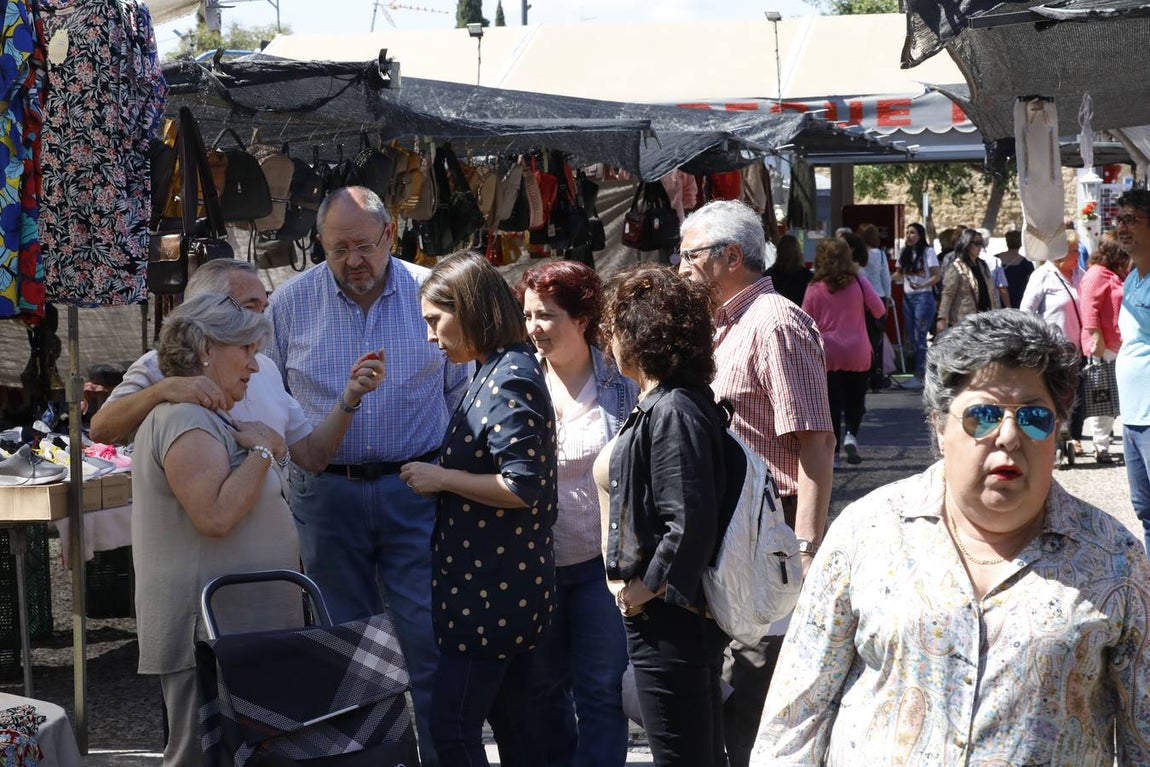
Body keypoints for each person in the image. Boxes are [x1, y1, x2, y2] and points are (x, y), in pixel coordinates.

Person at [755, 308, 1150, 764]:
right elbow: (795, 716)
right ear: (940, 426)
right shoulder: (867, 533)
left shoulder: (1115, 559)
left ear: (1057, 429)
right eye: (983, 415)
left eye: (1035, 417)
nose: (1008, 435)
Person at [265, 186, 469, 767]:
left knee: (428, 641)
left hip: (416, 489)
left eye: (363, 245)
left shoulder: (432, 293)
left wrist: (447, 476)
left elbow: (460, 394)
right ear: (320, 246)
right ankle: (363, 760)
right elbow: (269, 398)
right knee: (346, 650)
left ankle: (440, 757)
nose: (353, 259)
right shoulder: (290, 304)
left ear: (389, 237)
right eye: (337, 248)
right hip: (327, 497)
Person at [133, 292, 380, 767]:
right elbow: (216, 516)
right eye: (244, 349)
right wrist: (264, 448)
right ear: (206, 347)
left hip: (237, 626)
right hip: (209, 630)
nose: (254, 362)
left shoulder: (210, 414)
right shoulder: (185, 419)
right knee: (200, 756)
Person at [676, 199, 835, 767]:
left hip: (772, 532)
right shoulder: (726, 325)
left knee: (758, 696)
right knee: (731, 692)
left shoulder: (775, 323)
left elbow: (815, 443)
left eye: (689, 256)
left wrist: (806, 546)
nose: (681, 269)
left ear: (731, 257)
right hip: (733, 536)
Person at [398, 251, 557, 767]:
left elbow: (524, 484)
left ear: (466, 309)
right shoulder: (495, 368)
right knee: (515, 730)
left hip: (493, 593)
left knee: (453, 728)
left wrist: (441, 477)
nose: (430, 336)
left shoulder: (508, 374)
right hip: (492, 586)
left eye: (434, 320)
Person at [598, 263, 729, 767]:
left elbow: (688, 523)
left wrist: (641, 591)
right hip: (672, 616)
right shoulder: (672, 402)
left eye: (614, 329)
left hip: (671, 617)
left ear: (638, 334)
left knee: (683, 755)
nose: (609, 342)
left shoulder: (674, 409)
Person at [515, 260, 637, 767]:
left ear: (582, 318)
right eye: (528, 316)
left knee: (600, 690)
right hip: (535, 566)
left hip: (601, 566)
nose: (534, 328)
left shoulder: (620, 383)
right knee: (541, 692)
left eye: (546, 316)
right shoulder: (518, 380)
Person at [91, 260, 380, 472]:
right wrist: (162, 390)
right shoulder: (160, 365)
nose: (261, 320)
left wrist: (350, 397)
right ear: (207, 308)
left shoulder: (263, 368)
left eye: (263, 309)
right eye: (249, 307)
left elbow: (312, 457)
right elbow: (101, 430)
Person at [803, 237, 885, 467]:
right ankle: (851, 433)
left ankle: (834, 454)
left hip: (827, 352)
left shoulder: (813, 286)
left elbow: (804, 319)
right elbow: (878, 309)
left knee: (831, 405)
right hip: (857, 350)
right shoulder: (858, 280)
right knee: (856, 399)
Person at [1019, 232, 1086, 453]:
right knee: (1054, 394)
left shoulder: (1081, 274)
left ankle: (1074, 437)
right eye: (1074, 250)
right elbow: (1026, 313)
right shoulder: (1043, 276)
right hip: (1052, 349)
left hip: (1078, 348)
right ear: (1061, 253)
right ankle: (1052, 438)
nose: (1079, 254)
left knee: (1077, 396)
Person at [1116, 189, 1150, 553]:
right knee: (1145, 510)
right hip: (1134, 413)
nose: (1122, 227)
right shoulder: (1132, 278)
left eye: (1131, 219)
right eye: (1119, 219)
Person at [1079, 232, 1127, 463]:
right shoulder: (1096, 274)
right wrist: (1096, 338)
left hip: (1120, 343)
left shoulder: (1117, 273)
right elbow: (1089, 309)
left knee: (1116, 395)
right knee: (1103, 396)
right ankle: (1101, 445)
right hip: (1105, 345)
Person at [892, 222, 940, 381]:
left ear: (920, 235)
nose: (909, 236)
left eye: (912, 233)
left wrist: (922, 284)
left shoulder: (928, 252)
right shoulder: (904, 252)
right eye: (907, 233)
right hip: (908, 298)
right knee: (910, 336)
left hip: (923, 297)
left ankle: (920, 371)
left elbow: (936, 275)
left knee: (920, 336)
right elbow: (898, 273)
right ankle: (918, 367)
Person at [936, 227, 1002, 332]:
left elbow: (991, 292)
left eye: (981, 243)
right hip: (964, 320)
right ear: (966, 245)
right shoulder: (956, 267)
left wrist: (997, 314)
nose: (980, 247)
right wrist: (942, 318)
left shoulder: (983, 265)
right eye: (976, 243)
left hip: (985, 318)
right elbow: (948, 294)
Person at [762, 233, 810, 306]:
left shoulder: (768, 276)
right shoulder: (806, 276)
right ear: (798, 253)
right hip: (798, 314)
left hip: (775, 314)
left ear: (778, 252)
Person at [995, 229, 1034, 310]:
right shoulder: (1026, 263)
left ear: (1007, 242)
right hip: (1019, 300)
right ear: (1021, 243)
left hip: (999, 300)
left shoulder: (995, 259)